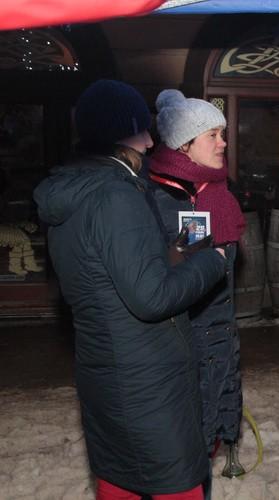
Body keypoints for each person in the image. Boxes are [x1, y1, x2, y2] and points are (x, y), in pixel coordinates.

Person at [33, 79, 227, 500]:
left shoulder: (78, 190)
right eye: (143, 129)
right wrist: (214, 261)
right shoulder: (115, 195)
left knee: (120, 481)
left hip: (107, 373)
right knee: (176, 485)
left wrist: (176, 251)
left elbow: (113, 271)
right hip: (147, 384)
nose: (151, 139)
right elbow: (150, 297)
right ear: (127, 132)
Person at [146, 89, 247, 485]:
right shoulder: (167, 196)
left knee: (215, 411)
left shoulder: (212, 191)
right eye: (213, 135)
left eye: (223, 134)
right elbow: (176, 274)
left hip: (218, 329)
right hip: (189, 338)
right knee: (192, 431)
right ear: (184, 144)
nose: (223, 143)